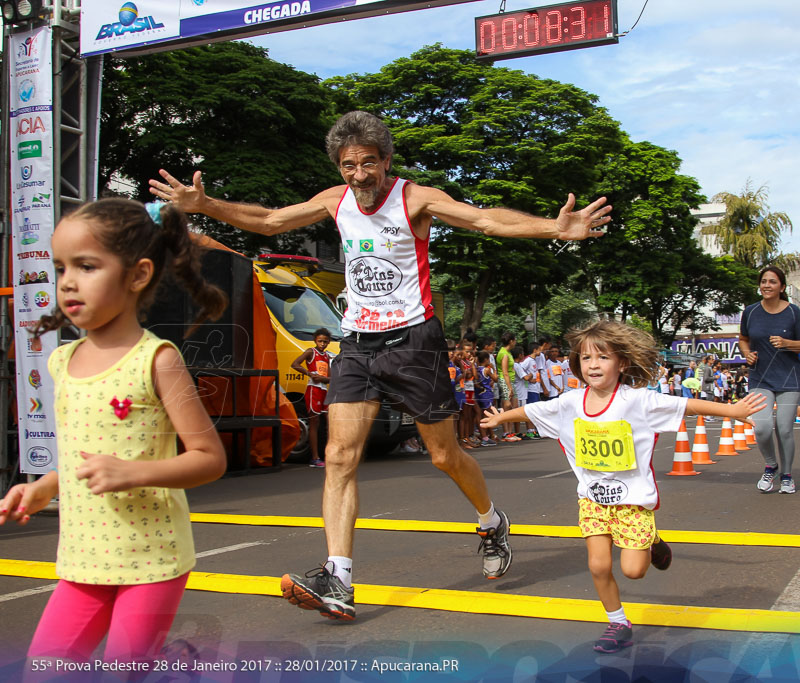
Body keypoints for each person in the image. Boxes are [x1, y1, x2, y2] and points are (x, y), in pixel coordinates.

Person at [150, 110, 612, 619]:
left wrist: (554, 228)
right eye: (349, 165)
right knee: (342, 456)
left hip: (414, 341)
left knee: (444, 456)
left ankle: (491, 519)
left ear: (386, 162)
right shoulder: (335, 200)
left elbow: (483, 218)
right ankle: (338, 579)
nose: (359, 175)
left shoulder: (415, 199)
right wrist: (207, 204)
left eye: (368, 164)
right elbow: (270, 220)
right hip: (359, 345)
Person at [0, 198, 227, 662]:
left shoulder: (157, 360)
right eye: (60, 267)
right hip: (83, 563)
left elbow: (209, 458)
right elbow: (86, 457)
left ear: (138, 275)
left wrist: (132, 473)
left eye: (86, 266)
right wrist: (45, 486)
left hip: (152, 561)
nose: (67, 282)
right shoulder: (60, 362)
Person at [479, 320, 766, 653]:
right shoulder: (571, 402)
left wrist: (732, 410)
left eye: (602, 358)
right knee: (598, 565)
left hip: (632, 501)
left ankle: (653, 541)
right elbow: (534, 410)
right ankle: (618, 622)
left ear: (622, 363)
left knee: (633, 571)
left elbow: (684, 406)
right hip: (593, 499)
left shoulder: (637, 401)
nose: (593, 365)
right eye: (586, 359)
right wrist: (501, 418)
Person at [739, 266, 800, 495]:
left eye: (772, 282)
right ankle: (771, 465)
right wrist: (746, 353)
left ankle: (787, 475)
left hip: (789, 379)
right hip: (760, 378)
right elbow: (743, 339)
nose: (766, 285)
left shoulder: (792, 312)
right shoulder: (750, 311)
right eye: (763, 281)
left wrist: (787, 343)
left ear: (781, 287)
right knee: (761, 428)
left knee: (784, 429)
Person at [290, 327, 334, 467]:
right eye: (320, 341)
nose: (322, 344)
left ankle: (328, 455)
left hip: (323, 390)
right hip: (313, 390)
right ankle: (315, 458)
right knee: (314, 423)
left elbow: (329, 378)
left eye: (325, 342)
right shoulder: (311, 352)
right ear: (315, 340)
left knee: (328, 423)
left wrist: (322, 378)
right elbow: (295, 364)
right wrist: (310, 374)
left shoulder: (327, 356)